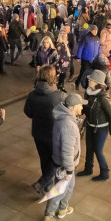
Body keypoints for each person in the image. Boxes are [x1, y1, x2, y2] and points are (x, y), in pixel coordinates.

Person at [42, 93, 86, 221]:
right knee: (59, 192)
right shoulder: (68, 125)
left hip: (67, 164)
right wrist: (68, 170)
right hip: (64, 165)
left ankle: (63, 209)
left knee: (70, 186)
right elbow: (67, 151)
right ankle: (48, 217)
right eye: (80, 104)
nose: (82, 106)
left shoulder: (67, 119)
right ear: (73, 107)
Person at [24, 66, 66, 194]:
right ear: (53, 77)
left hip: (38, 133)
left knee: (44, 159)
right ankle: (43, 183)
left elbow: (28, 112)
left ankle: (46, 186)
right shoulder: (60, 96)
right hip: (54, 134)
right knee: (57, 159)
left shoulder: (32, 95)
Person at [77, 70, 111, 181]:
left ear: (96, 82)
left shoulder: (103, 97)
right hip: (90, 125)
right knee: (89, 148)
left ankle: (105, 173)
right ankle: (88, 169)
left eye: (90, 80)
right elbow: (85, 107)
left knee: (98, 150)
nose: (88, 80)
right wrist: (77, 112)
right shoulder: (88, 92)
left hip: (101, 128)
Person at [74, 24, 100, 90]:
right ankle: (77, 82)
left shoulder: (97, 38)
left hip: (94, 59)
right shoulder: (86, 37)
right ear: (91, 30)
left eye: (96, 30)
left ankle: (88, 85)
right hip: (86, 58)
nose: (95, 32)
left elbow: (98, 48)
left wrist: (98, 57)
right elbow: (81, 47)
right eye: (94, 30)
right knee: (83, 72)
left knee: (91, 73)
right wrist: (78, 57)